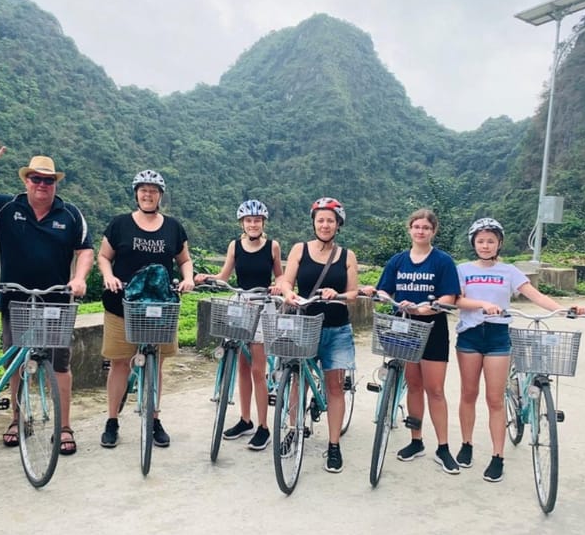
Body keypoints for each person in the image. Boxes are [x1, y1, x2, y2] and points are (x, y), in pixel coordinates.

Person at [0, 142, 94, 456]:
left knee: (59, 364)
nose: (42, 185)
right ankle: (17, 419)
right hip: (16, 300)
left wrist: (78, 278)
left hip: (56, 301)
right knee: (16, 362)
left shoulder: (71, 214)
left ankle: (64, 426)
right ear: (26, 180)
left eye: (48, 180)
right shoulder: (6, 207)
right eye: (36, 179)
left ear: (55, 183)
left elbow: (85, 250)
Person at [454, 217, 585, 482]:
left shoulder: (510, 271)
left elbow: (534, 295)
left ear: (499, 243)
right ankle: (466, 444)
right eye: (480, 241)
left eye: (490, 241)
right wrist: (482, 304)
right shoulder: (462, 269)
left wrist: (565, 310)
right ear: (473, 243)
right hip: (469, 336)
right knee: (468, 393)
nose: (485, 245)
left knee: (494, 398)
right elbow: (458, 299)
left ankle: (497, 456)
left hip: (498, 336)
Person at [98, 169, 195, 448]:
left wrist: (188, 278)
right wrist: (108, 276)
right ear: (136, 193)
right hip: (122, 304)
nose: (148, 194)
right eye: (143, 189)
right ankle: (112, 420)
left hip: (160, 307)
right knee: (119, 363)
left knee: (157, 364)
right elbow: (104, 256)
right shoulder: (120, 224)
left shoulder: (173, 227)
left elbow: (184, 260)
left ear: (160, 195)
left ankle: (154, 418)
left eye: (153, 190)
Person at [362, 208, 461, 474]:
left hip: (433, 328)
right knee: (414, 386)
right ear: (410, 229)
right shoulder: (398, 260)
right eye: (416, 227)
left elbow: (449, 298)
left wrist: (427, 308)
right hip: (403, 326)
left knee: (435, 390)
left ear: (433, 231)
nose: (420, 231)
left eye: (426, 228)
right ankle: (416, 441)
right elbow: (384, 289)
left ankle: (443, 447)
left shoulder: (442, 261)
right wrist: (386, 298)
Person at [193, 199, 284, 450]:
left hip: (263, 304)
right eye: (248, 221)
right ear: (242, 223)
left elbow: (281, 276)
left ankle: (264, 426)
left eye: (257, 220)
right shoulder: (234, 245)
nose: (253, 224)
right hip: (241, 303)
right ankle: (245, 420)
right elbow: (224, 277)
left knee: (257, 369)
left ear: (263, 223)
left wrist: (279, 286)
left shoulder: (272, 247)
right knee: (242, 368)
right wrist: (206, 278)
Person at [278, 198, 359, 473]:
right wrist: (288, 292)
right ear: (314, 222)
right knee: (297, 379)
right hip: (304, 325)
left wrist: (337, 294)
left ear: (338, 225)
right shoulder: (300, 249)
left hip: (337, 329)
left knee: (335, 388)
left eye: (330, 220)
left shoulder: (347, 256)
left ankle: (334, 445)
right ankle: (293, 429)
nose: (325, 224)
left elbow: (353, 295)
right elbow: (287, 280)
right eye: (320, 220)